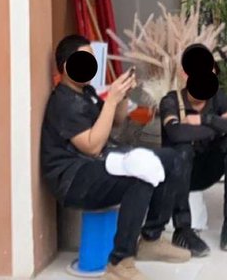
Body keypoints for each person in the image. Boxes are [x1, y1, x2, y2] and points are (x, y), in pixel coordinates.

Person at [41, 34, 190, 280]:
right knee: (139, 178)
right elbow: (92, 146)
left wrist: (122, 96)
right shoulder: (63, 102)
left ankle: (150, 238)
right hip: (73, 179)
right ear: (66, 66)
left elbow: (116, 121)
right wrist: (110, 101)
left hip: (96, 163)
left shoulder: (86, 92)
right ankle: (120, 262)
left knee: (172, 159)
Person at [159, 60, 227, 255]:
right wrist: (218, 127)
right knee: (183, 149)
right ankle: (182, 229)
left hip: (208, 168)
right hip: (179, 173)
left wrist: (205, 120)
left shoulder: (219, 99)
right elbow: (176, 133)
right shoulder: (171, 101)